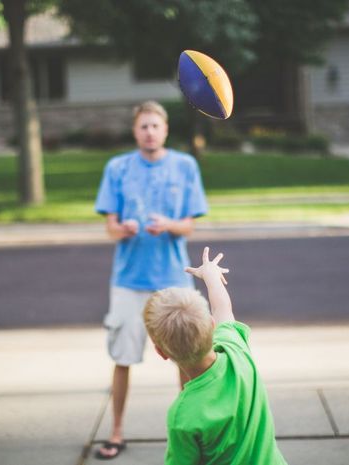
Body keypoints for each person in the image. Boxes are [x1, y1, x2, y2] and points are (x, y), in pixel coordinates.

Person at [94, 100, 209, 460]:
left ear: (165, 129)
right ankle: (115, 432)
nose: (149, 132)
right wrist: (123, 228)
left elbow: (190, 224)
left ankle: (189, 434)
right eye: (143, 126)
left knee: (189, 360)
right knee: (123, 356)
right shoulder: (117, 168)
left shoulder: (185, 166)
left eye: (155, 126)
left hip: (174, 279)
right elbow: (109, 228)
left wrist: (170, 225)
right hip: (129, 280)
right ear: (135, 131)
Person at [143, 246, 288, 464]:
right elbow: (222, 308)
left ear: (161, 352)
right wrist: (210, 275)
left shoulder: (183, 415)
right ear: (212, 325)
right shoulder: (235, 350)